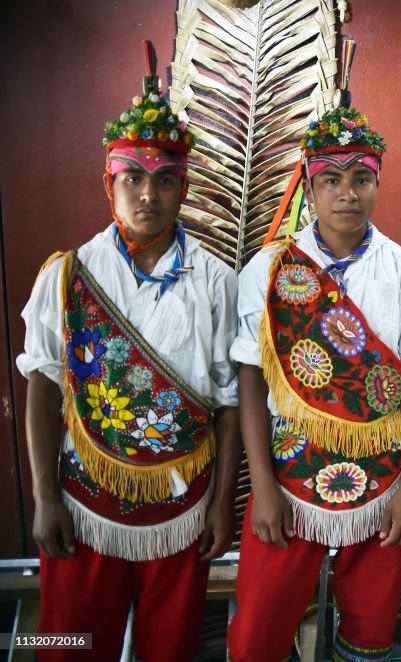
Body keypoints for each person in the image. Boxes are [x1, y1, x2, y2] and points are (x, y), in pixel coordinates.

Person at [18, 43, 241, 661]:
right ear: (109, 184)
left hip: (181, 509)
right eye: (133, 178)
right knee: (63, 641)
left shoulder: (218, 281)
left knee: (169, 649)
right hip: (81, 503)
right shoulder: (68, 275)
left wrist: (222, 505)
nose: (149, 194)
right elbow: (43, 384)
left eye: (165, 180)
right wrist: (43, 499)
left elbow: (227, 404)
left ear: (183, 188)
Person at [226, 76, 401, 661]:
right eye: (331, 179)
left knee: (370, 633)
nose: (346, 193)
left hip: (381, 482)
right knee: (259, 632)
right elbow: (250, 378)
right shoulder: (269, 271)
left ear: (377, 184)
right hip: (289, 480)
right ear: (310, 186)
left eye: (361, 178)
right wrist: (263, 487)